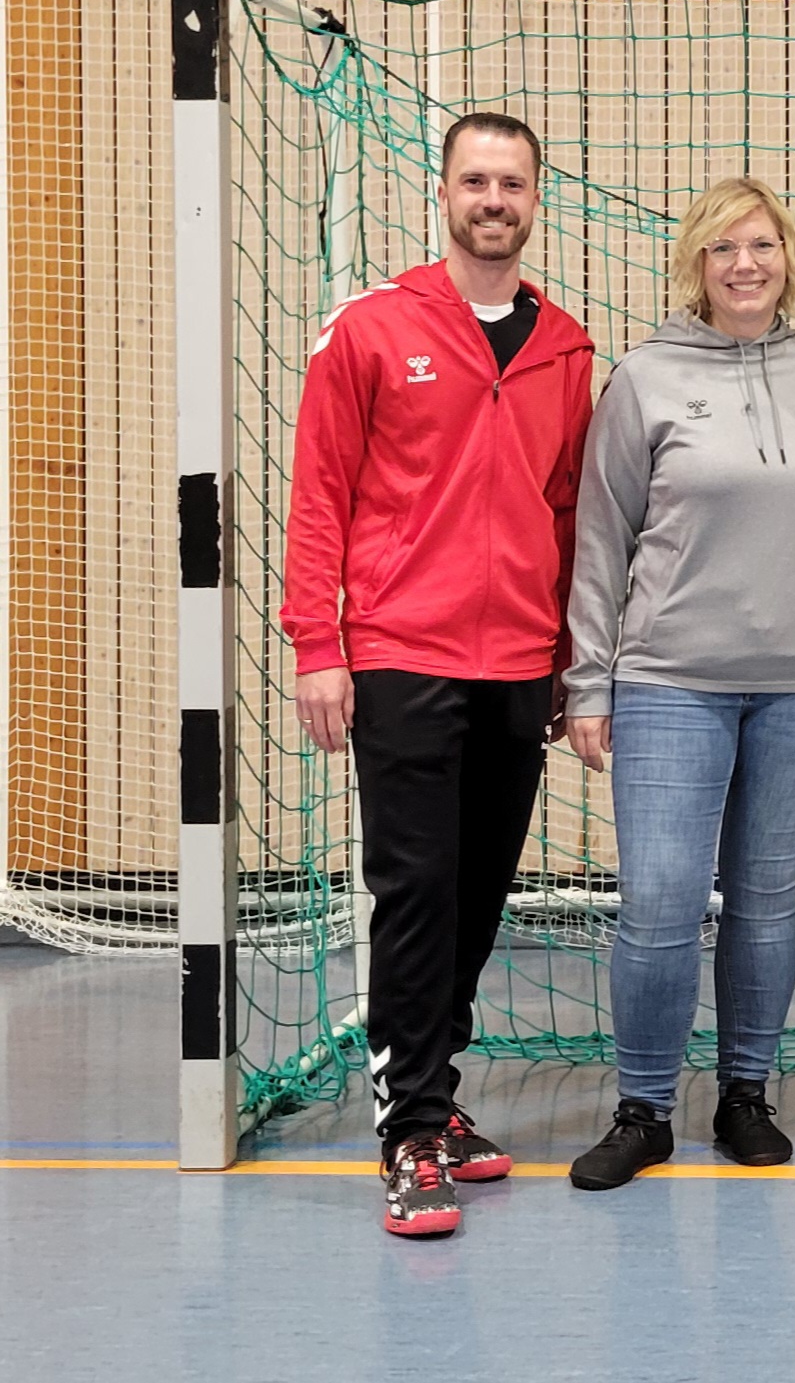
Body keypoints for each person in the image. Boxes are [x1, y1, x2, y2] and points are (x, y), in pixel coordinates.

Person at [283, 112, 594, 1239]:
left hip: (518, 661)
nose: (493, 199)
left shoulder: (567, 349)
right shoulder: (371, 328)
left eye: (512, 182)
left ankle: (436, 1090)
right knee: (415, 891)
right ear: (446, 192)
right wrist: (319, 647)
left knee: (475, 891)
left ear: (534, 199)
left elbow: (567, 512)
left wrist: (566, 657)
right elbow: (320, 493)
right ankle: (409, 1129)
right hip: (402, 656)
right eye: (475, 180)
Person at [561, 178, 795, 1190]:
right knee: (660, 901)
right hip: (672, 681)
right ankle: (644, 1108)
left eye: (761, 246)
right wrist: (588, 682)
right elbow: (600, 538)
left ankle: (745, 1093)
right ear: (695, 266)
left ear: (788, 258)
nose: (744, 264)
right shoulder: (644, 379)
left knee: (766, 900)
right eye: (722, 249)